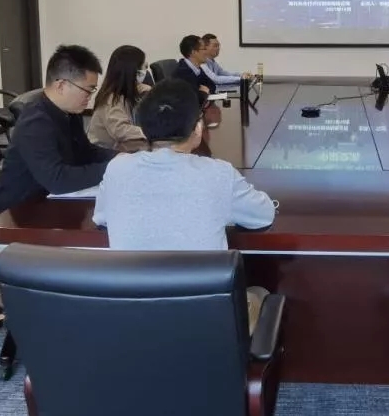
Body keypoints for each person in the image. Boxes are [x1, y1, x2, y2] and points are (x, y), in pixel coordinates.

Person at [93, 79, 277, 332]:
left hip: (134, 320)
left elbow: (101, 218)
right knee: (259, 293)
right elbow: (264, 215)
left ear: (143, 129)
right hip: (205, 325)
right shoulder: (218, 173)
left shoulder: (117, 169)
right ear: (198, 128)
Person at [0, 45, 115, 213]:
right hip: (18, 214)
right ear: (61, 86)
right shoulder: (35, 122)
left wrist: (122, 158)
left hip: (49, 203)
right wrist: (114, 168)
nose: (90, 98)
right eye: (88, 91)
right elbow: (57, 179)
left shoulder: (69, 112)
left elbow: (85, 152)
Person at [87, 45, 152, 152]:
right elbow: (121, 130)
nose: (145, 71)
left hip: (119, 148)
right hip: (102, 153)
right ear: (132, 71)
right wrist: (150, 132)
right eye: (143, 67)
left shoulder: (131, 89)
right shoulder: (111, 98)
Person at [173, 34, 216, 106]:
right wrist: (205, 92)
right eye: (204, 49)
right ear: (193, 52)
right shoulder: (183, 72)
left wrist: (205, 91)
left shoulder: (197, 68)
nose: (207, 52)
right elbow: (196, 99)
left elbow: (212, 85)